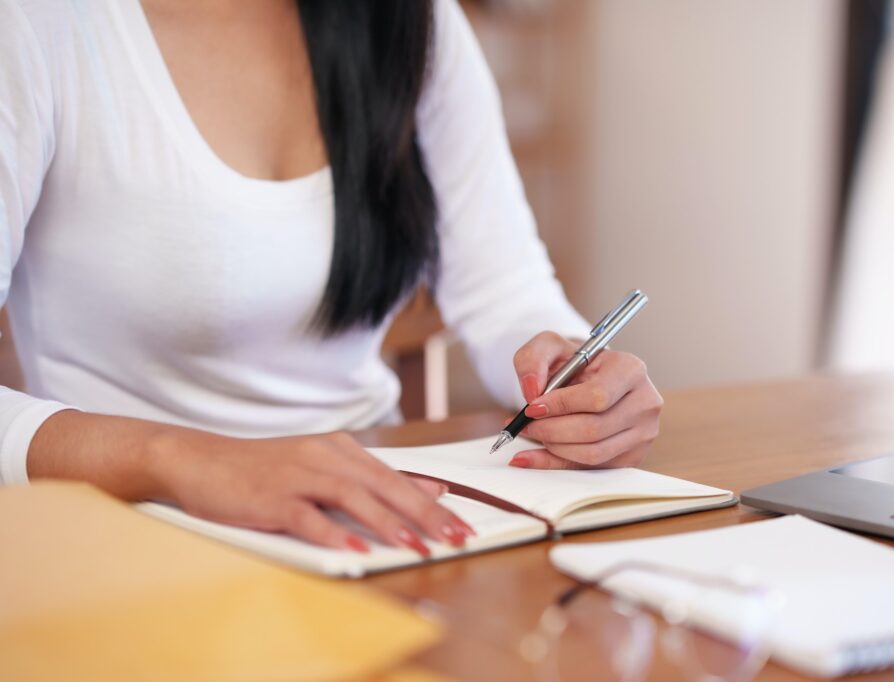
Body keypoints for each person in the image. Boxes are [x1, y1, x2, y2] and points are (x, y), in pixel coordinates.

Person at [0, 0, 663, 555]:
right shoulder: (38, 23)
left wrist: (571, 379)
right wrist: (185, 458)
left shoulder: (412, 18)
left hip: (376, 520)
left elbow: (505, 290)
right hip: (125, 536)